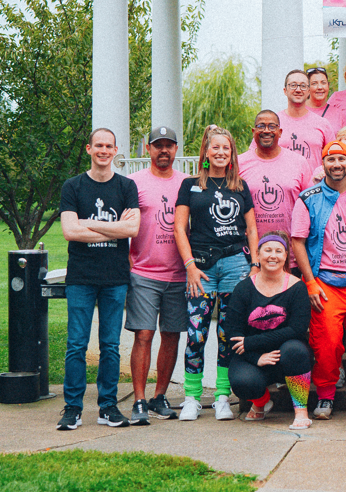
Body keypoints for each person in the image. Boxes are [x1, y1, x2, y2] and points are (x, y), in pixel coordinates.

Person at [173, 125, 258, 421]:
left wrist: (255, 264)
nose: (221, 152)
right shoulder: (190, 185)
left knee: (227, 334)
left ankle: (222, 396)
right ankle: (192, 397)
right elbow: (179, 228)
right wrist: (190, 266)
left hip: (236, 265)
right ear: (206, 152)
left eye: (226, 148)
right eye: (216, 147)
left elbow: (251, 229)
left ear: (232, 154)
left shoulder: (241, 186)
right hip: (201, 267)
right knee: (196, 334)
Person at [57, 128, 140, 431]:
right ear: (89, 149)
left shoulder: (126, 186)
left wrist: (89, 223)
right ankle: (72, 408)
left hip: (114, 278)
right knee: (76, 345)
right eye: (99, 146)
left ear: (115, 150)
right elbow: (70, 231)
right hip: (81, 277)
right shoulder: (73, 186)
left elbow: (132, 230)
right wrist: (114, 229)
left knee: (110, 345)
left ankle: (108, 406)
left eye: (109, 146)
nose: (104, 151)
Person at [291, 141, 346, 419]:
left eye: (342, 159)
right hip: (325, 282)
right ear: (323, 164)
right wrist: (310, 283)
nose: (337, 164)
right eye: (331, 160)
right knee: (327, 342)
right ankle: (326, 395)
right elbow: (297, 241)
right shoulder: (308, 198)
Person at [124, 125, 186, 424]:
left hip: (179, 274)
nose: (163, 150)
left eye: (168, 145)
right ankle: (138, 400)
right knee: (144, 335)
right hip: (144, 272)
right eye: (157, 145)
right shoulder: (133, 183)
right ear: (148, 149)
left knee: (171, 336)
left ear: (176, 149)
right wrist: (127, 261)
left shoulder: (187, 183)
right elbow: (123, 226)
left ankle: (159, 396)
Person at [220, 234, 313, 430]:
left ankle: (301, 411)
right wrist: (256, 357)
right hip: (252, 357)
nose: (273, 256)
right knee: (242, 383)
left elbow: (297, 329)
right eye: (268, 250)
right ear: (258, 254)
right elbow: (232, 332)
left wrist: (251, 343)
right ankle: (262, 402)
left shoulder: (297, 287)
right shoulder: (243, 288)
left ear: (286, 256)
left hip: (285, 354)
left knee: (296, 351)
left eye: (279, 251)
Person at [236, 110, 312, 253]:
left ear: (280, 132)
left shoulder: (299, 163)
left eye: (272, 126)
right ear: (253, 131)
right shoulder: (239, 163)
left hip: (291, 252)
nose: (266, 131)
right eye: (261, 126)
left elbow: (310, 205)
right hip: (250, 253)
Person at [280, 68, 331, 165]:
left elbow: (334, 157)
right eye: (293, 85)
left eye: (303, 86)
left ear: (308, 91)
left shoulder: (322, 124)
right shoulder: (274, 122)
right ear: (285, 90)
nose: (298, 90)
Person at [306, 66, 337, 133]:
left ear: (328, 85)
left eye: (323, 83)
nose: (320, 87)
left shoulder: (338, 114)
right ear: (307, 87)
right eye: (314, 83)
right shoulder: (299, 110)